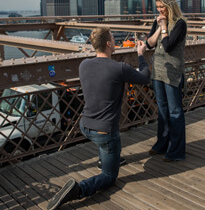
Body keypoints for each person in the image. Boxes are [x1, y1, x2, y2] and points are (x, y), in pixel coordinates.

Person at [47, 27, 150, 210]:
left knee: (107, 147)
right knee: (109, 176)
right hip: (105, 132)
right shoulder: (120, 68)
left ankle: (108, 157)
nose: (115, 41)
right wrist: (141, 55)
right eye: (113, 38)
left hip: (85, 126)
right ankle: (78, 190)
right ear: (109, 44)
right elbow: (145, 78)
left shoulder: (84, 65)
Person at [146, 0, 187, 162]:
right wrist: (158, 27)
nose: (160, 10)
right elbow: (149, 44)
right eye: (157, 7)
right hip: (158, 72)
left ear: (170, 5)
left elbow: (168, 46)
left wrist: (164, 28)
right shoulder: (157, 21)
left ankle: (177, 151)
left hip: (173, 74)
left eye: (162, 7)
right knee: (162, 111)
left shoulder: (180, 24)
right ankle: (162, 144)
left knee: (175, 112)